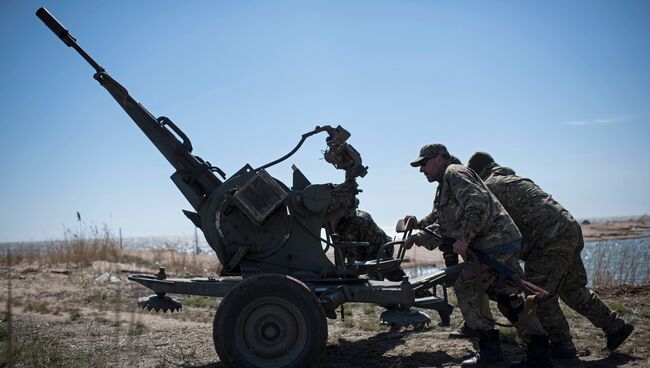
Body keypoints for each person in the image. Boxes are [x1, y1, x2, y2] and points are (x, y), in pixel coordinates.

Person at [467, 152, 634, 357]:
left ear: (477, 173)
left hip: (547, 241)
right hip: (569, 229)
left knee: (538, 296)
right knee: (573, 289)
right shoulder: (515, 179)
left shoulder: (490, 187)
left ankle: (562, 345)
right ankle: (616, 326)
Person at [405, 144, 551, 368]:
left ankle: (490, 352)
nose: (421, 169)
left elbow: (477, 203)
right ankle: (539, 354)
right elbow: (442, 220)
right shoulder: (446, 182)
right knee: (507, 298)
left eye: (424, 163)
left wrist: (464, 237)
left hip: (494, 245)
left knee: (467, 287)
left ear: (440, 159)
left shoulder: (455, 173)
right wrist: (419, 228)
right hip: (497, 244)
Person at [332, 209, 405, 281]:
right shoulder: (340, 225)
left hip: (381, 251)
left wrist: (343, 272)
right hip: (370, 253)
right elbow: (339, 249)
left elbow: (348, 250)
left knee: (375, 282)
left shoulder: (354, 223)